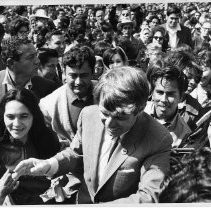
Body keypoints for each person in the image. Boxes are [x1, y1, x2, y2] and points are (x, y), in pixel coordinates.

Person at [13, 66, 172, 204]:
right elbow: (76, 154)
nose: (109, 124)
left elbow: (149, 196)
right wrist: (50, 164)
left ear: (141, 108)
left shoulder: (158, 139)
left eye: (120, 117)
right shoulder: (89, 115)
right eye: (104, 113)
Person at [0, 88, 60, 205]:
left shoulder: (48, 139)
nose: (16, 124)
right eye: (10, 117)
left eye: (24, 116)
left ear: (34, 116)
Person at [39, 46, 96, 143]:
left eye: (84, 75)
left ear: (92, 73)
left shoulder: (106, 93)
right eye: (73, 76)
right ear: (64, 73)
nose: (78, 82)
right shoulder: (48, 105)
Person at [0, 37, 58, 111]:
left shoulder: (49, 88)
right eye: (31, 57)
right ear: (11, 63)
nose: (37, 61)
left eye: (36, 55)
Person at [145, 63, 191, 147]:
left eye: (170, 94)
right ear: (152, 93)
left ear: (181, 97)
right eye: (160, 92)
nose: (163, 100)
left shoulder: (184, 134)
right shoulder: (136, 114)